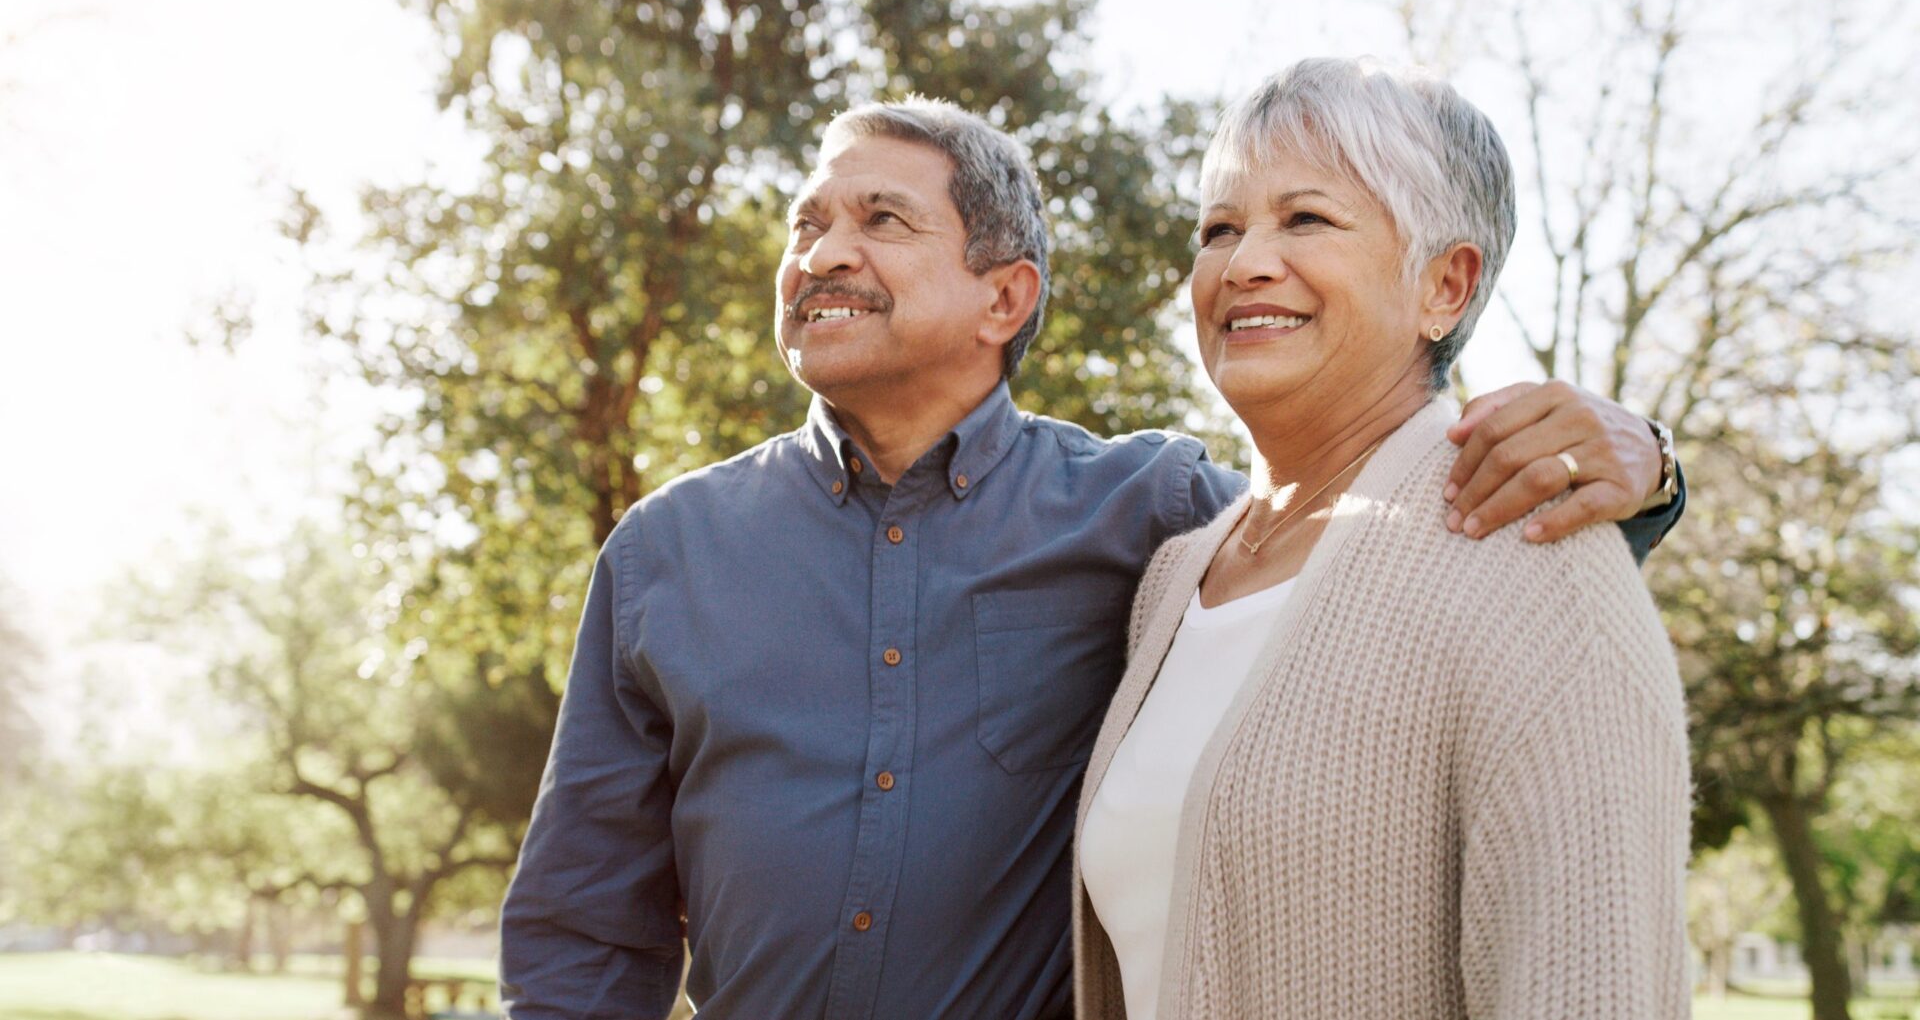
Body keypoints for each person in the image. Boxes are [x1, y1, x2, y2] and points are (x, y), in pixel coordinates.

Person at [499, 96, 1685, 1019]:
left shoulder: (1154, 518)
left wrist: (1646, 473)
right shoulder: (665, 554)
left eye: (881, 221)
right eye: (808, 222)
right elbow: (586, 930)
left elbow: (1376, 548)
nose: (821, 253)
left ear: (1003, 297)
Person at [1073, 58, 1690, 1020]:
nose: (1243, 264)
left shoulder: (1540, 562)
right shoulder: (1174, 579)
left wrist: (1654, 461)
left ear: (1446, 285)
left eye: (1306, 218)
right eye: (1219, 229)